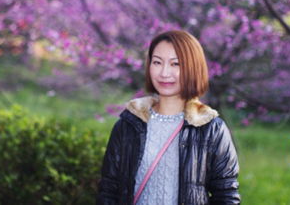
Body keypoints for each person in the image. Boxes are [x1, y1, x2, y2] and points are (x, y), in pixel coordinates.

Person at [97, 30, 240, 204]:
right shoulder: (129, 124)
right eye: (157, 62)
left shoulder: (211, 129)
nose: (164, 73)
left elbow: (226, 195)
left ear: (192, 68)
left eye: (176, 64)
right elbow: (108, 189)